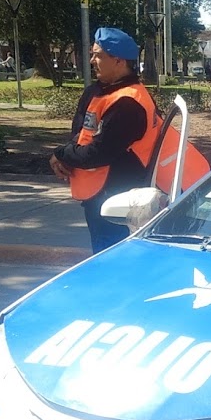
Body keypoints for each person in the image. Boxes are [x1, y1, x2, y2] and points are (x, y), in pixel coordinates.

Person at [50, 28, 180, 252]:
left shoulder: (129, 103)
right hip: (97, 195)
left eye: (98, 55)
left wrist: (61, 154)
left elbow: (100, 153)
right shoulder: (97, 92)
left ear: (119, 60)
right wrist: (63, 155)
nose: (92, 60)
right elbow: (79, 135)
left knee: (112, 260)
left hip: (119, 201)